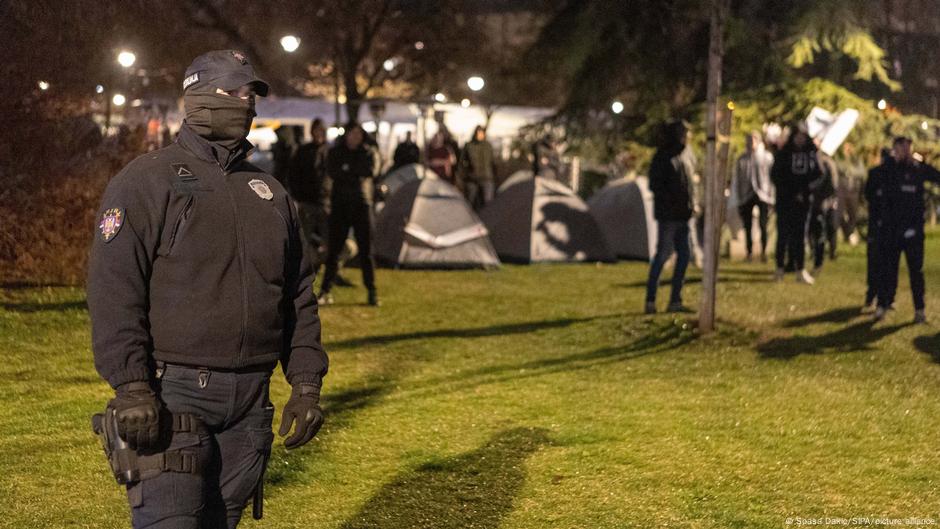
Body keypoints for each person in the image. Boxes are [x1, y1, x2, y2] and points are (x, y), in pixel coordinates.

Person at [87, 50, 327, 528]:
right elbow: (115, 289)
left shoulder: (270, 194)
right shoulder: (146, 181)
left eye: (251, 95)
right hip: (171, 396)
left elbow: (298, 296)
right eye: (234, 93)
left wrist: (305, 384)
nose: (246, 105)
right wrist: (132, 385)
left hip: (250, 405)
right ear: (197, 97)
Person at [873, 136, 940, 323]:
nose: (906, 152)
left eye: (908, 148)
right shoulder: (888, 169)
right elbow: (875, 181)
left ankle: (920, 310)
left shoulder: (917, 169)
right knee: (888, 269)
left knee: (916, 272)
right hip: (891, 229)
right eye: (901, 148)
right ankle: (882, 304)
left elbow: (936, 176)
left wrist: (921, 162)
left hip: (913, 231)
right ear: (895, 149)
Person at [319, 123, 380, 306]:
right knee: (334, 250)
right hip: (340, 205)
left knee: (366, 250)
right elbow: (333, 171)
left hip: (361, 204)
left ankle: (372, 291)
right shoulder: (336, 152)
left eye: (358, 134)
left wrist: (347, 170)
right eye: (352, 133)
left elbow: (368, 172)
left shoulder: (367, 152)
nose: (355, 137)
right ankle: (325, 289)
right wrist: (351, 171)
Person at [645, 120, 696, 314]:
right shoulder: (664, 157)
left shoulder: (683, 156)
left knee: (684, 255)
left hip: (682, 215)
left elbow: (687, 185)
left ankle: (675, 299)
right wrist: (674, 202)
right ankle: (651, 299)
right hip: (669, 216)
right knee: (662, 255)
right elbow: (657, 186)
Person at [770, 123, 818, 284]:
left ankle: (800, 269)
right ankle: (779, 268)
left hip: (803, 203)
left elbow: (817, 175)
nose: (800, 139)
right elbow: (777, 176)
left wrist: (804, 192)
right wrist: (791, 193)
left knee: (800, 236)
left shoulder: (811, 155)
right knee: (783, 236)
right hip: (785, 202)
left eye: (803, 137)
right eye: (798, 136)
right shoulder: (784, 154)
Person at [288, 118, 331, 270]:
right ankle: (306, 265)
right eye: (317, 130)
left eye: (321, 130)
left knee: (327, 238)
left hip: (324, 201)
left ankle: (323, 265)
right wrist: (298, 196)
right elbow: (294, 174)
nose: (319, 134)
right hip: (307, 201)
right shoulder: (304, 151)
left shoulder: (329, 152)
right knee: (305, 237)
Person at [731, 131, 774, 262]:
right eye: (748, 140)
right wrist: (738, 197)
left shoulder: (767, 158)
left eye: (753, 140)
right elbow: (737, 179)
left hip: (763, 194)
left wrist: (771, 197)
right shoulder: (741, 159)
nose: (751, 143)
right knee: (747, 225)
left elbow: (772, 179)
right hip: (746, 195)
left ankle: (763, 252)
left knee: (763, 224)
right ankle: (749, 252)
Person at [863, 147, 892, 311]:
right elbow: (869, 196)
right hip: (876, 223)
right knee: (875, 260)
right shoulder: (875, 174)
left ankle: (882, 296)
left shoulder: (892, 174)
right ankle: (873, 294)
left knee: (882, 261)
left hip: (885, 224)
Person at [808, 149, 839, 273]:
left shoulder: (826, 163)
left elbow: (832, 185)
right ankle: (816, 257)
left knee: (820, 232)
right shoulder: (810, 160)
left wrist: (826, 199)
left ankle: (819, 260)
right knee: (814, 231)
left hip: (820, 203)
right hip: (813, 202)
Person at [458, 125, 497, 210]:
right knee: (469, 203)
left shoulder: (488, 146)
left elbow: (493, 162)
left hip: (487, 178)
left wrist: (494, 177)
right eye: (478, 132)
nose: (479, 134)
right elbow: (461, 163)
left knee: (488, 204)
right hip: (472, 179)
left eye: (481, 133)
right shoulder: (469, 146)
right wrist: (463, 176)